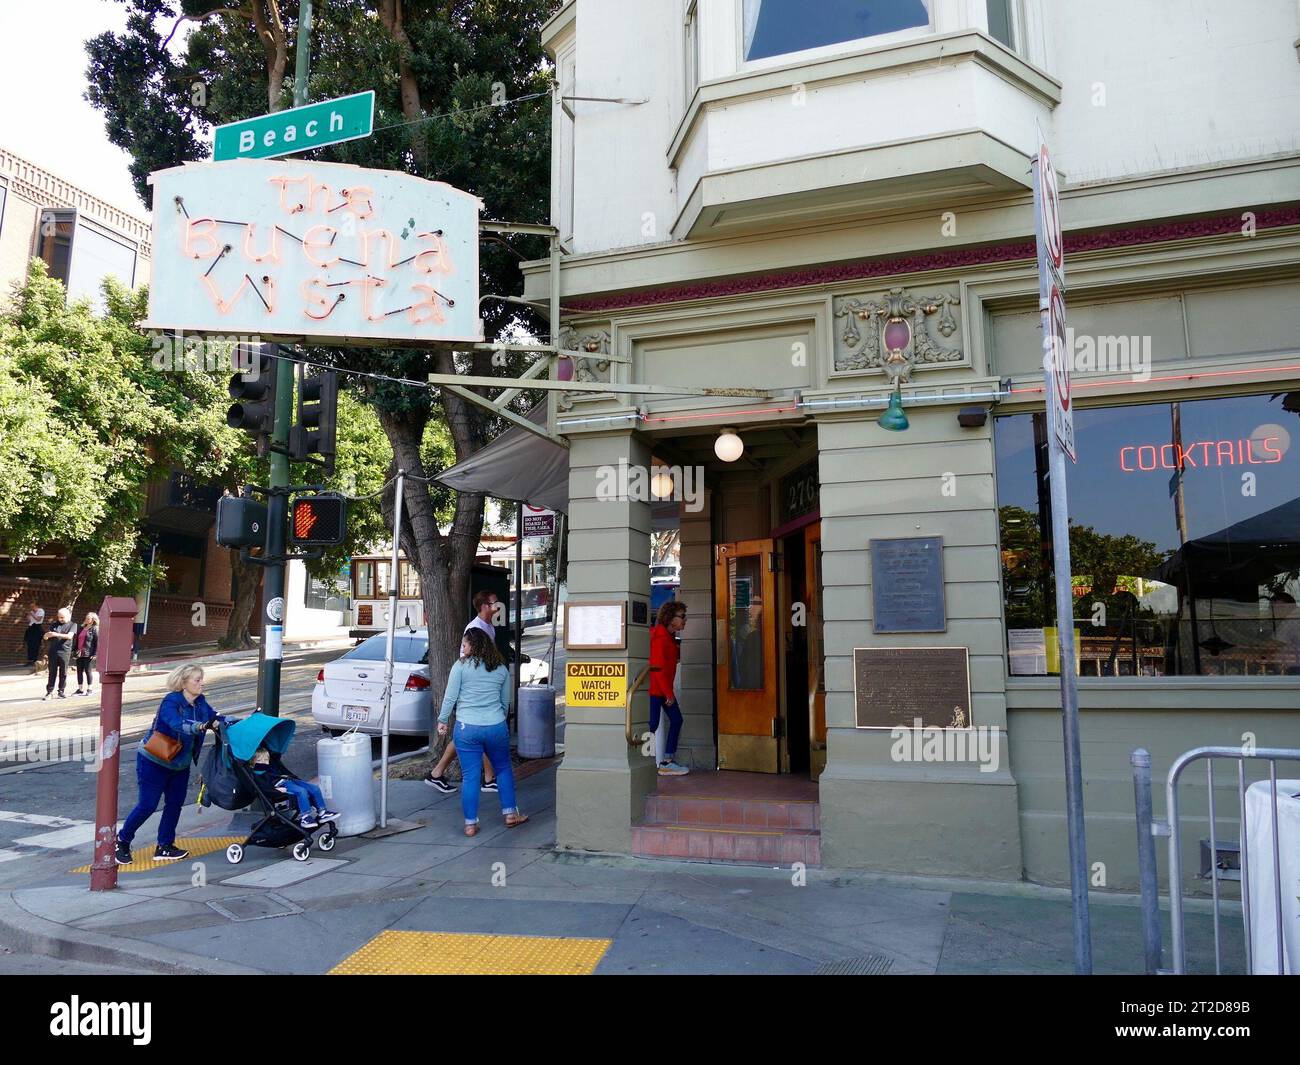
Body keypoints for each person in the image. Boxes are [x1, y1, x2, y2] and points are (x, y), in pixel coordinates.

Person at [115, 664, 226, 864]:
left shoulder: (200, 702)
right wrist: (200, 726)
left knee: (175, 804)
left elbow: (215, 717)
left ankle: (164, 846)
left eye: (201, 679)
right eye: (197, 680)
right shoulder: (171, 701)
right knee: (147, 804)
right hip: (154, 761)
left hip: (179, 764)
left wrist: (229, 722)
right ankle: (122, 840)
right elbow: (176, 723)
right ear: (184, 683)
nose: (201, 683)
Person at [437, 627, 527, 837]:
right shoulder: (501, 669)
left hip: (467, 728)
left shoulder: (460, 667)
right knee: (503, 769)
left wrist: (442, 720)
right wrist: (499, 721)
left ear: (472, 645)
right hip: (495, 726)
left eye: (465, 645)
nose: (463, 648)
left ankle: (470, 824)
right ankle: (511, 814)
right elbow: (506, 703)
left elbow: (450, 697)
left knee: (470, 777)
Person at [425, 590, 503, 794]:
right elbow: (466, 660)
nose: (498, 605)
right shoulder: (475, 629)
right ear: (485, 606)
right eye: (495, 602)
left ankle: (437, 773)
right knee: (479, 731)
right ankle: (488, 778)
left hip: (478, 691)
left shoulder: (488, 627)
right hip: (473, 692)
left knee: (465, 735)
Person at [251, 744, 339, 829]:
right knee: (301, 791)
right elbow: (264, 788)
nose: (263, 763)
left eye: (266, 760)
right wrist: (277, 790)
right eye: (259, 761)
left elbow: (283, 771)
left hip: (290, 780)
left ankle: (322, 811)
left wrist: (296, 779)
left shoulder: (270, 766)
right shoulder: (257, 773)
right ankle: (305, 816)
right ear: (252, 762)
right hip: (280, 785)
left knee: (314, 788)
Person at [649, 600, 689, 776]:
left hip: (661, 690)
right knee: (651, 725)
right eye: (682, 617)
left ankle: (666, 761)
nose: (684, 620)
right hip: (656, 690)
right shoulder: (660, 637)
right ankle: (647, 761)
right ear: (671, 618)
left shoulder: (668, 637)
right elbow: (657, 669)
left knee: (675, 720)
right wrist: (668, 694)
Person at [41, 608, 76, 700]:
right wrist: (46, 636)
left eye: (62, 617)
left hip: (65, 652)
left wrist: (55, 634)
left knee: (63, 672)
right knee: (52, 672)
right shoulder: (54, 625)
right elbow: (47, 638)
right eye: (59, 617)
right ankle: (49, 692)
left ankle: (61, 691)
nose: (60, 619)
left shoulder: (73, 625)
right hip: (53, 651)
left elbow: (69, 636)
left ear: (68, 616)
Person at [73, 611, 99, 696]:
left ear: (93, 620)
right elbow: (77, 640)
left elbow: (97, 642)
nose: (87, 620)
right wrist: (74, 651)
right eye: (86, 618)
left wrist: (95, 654)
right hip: (79, 653)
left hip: (88, 653)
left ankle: (89, 688)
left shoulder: (94, 629)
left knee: (88, 671)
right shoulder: (81, 628)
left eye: (89, 618)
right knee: (79, 671)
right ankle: (80, 689)